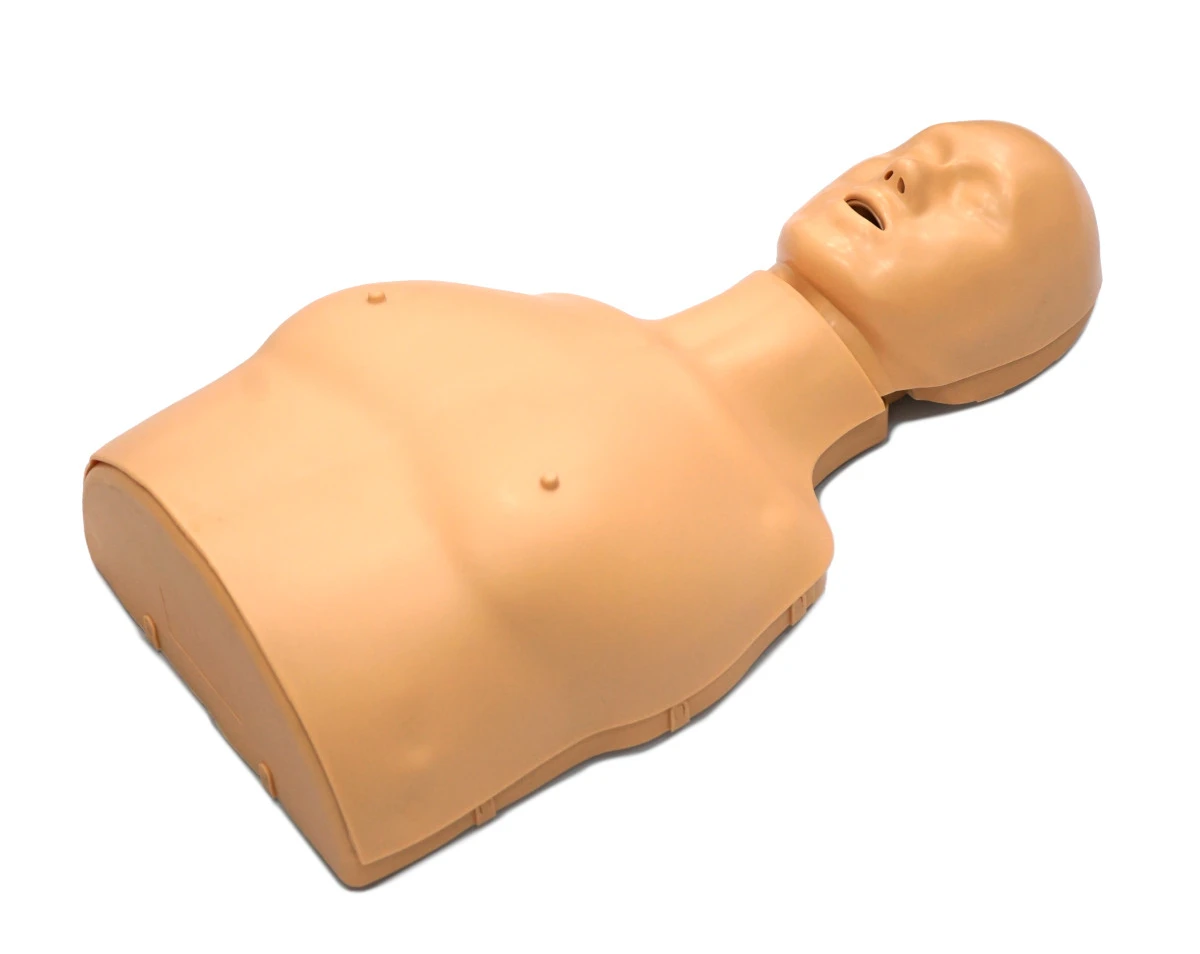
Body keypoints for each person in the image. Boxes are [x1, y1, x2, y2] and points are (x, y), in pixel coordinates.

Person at [84, 121, 1100, 886]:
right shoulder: (556, 322)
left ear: (998, 352)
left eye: (973, 203)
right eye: (910, 151)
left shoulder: (765, 534)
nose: (902, 175)